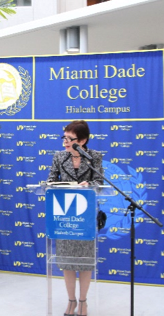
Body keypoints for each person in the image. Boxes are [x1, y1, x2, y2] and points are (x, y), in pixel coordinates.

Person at [47, 120, 104, 316]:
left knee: (85, 261)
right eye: (64, 137)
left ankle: (83, 302)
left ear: (82, 140)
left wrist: (90, 185)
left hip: (86, 216)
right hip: (65, 215)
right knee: (67, 261)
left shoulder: (94, 157)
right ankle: (71, 302)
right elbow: (51, 182)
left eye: (70, 139)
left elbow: (100, 182)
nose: (65, 142)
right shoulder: (59, 157)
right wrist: (58, 186)